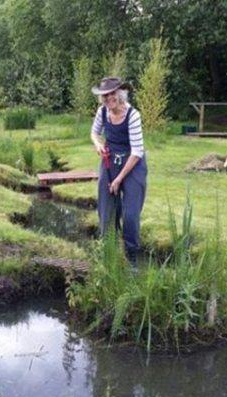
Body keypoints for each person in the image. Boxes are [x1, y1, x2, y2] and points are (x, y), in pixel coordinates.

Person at [90, 77, 147, 268]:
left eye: (112, 94)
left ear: (120, 93)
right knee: (106, 212)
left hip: (133, 165)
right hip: (109, 162)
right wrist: (99, 144)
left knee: (130, 215)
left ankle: (132, 260)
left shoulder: (133, 115)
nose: (109, 98)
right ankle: (109, 254)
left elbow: (138, 152)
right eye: (105, 96)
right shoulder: (102, 112)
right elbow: (94, 132)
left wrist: (118, 179)